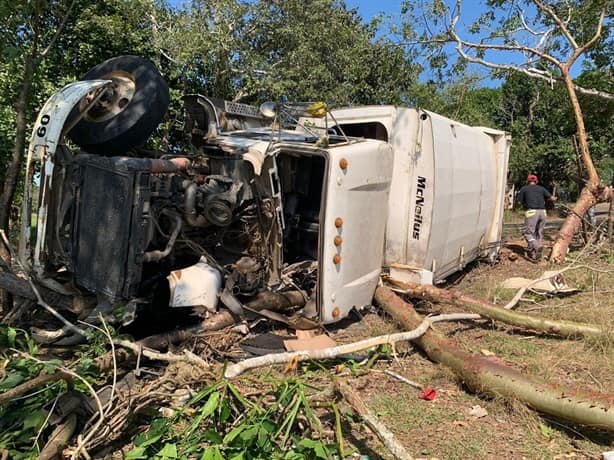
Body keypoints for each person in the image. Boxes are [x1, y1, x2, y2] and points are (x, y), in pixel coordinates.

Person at [516, 174, 557, 260]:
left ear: (527, 181)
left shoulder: (524, 189)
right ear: (536, 181)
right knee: (538, 233)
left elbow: (518, 202)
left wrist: (521, 204)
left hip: (532, 212)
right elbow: (552, 198)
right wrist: (552, 198)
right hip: (543, 212)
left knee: (528, 233)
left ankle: (537, 247)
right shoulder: (541, 188)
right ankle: (534, 254)